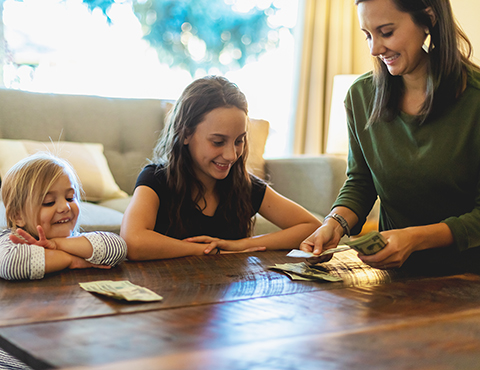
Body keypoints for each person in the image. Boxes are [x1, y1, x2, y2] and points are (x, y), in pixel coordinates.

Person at [301, 0, 480, 271]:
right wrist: (334, 223)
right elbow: (361, 183)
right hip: (394, 278)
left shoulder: (475, 100)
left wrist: (415, 239)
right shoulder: (361, 96)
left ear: (428, 18)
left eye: (386, 32)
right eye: (368, 35)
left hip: (469, 277)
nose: (374, 49)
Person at [121, 75, 321, 260]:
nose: (231, 155)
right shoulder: (156, 179)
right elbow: (133, 241)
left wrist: (241, 245)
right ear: (185, 134)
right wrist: (208, 250)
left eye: (239, 141)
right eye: (218, 142)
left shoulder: (245, 186)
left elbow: (312, 228)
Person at [0, 152, 127, 280]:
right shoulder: (11, 239)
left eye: (70, 198)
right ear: (18, 216)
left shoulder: (73, 239)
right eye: (49, 202)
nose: (65, 207)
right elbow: (9, 264)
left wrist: (56, 244)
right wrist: (72, 260)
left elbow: (118, 248)